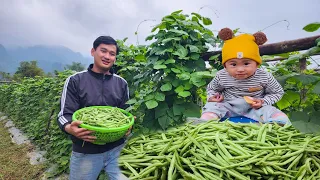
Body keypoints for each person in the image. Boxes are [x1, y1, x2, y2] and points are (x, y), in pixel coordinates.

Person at [57, 36, 131, 180]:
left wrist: (129, 126)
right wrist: (69, 128)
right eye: (103, 51)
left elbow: (126, 113)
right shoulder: (75, 80)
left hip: (118, 149)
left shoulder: (121, 83)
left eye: (112, 54)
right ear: (93, 51)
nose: (107, 56)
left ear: (115, 58)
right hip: (86, 151)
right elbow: (64, 114)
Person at [200, 28, 290, 125]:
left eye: (246, 63)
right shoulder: (222, 75)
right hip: (227, 107)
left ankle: (279, 123)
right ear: (225, 66)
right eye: (233, 64)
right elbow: (212, 89)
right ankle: (205, 121)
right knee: (212, 107)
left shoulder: (264, 76)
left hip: (255, 108)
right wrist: (212, 97)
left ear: (257, 64)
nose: (240, 69)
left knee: (271, 111)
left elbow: (277, 92)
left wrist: (262, 101)